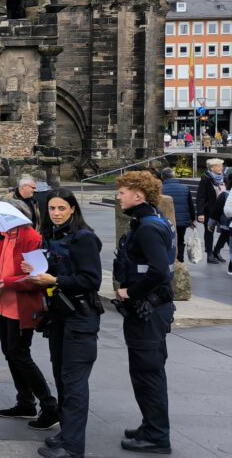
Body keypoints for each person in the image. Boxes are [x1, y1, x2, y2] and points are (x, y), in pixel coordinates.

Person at [25, 189, 103, 458]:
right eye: (52, 209)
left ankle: (73, 447)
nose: (56, 213)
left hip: (80, 316)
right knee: (60, 377)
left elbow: (91, 280)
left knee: (74, 382)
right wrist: (37, 272)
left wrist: (54, 280)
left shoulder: (84, 238)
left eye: (61, 208)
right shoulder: (52, 236)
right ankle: (67, 433)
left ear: (73, 209)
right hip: (58, 316)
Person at [113, 171, 175, 454]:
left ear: (138, 195)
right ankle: (151, 425)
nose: (118, 195)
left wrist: (131, 292)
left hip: (148, 309)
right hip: (152, 308)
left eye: (123, 191)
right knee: (146, 370)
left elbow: (159, 270)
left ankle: (157, 435)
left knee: (147, 372)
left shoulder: (148, 227)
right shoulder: (150, 221)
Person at [0, 220, 59, 430]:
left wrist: (6, 282)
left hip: (21, 307)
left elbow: (35, 278)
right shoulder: (1, 235)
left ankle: (49, 405)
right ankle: (25, 402)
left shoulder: (32, 238)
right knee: (10, 352)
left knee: (19, 354)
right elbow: (0, 265)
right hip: (2, 303)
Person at [159, 168, 195, 263]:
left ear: (162, 177)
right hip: (182, 220)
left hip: (165, 221)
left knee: (165, 240)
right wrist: (192, 220)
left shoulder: (160, 188)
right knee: (180, 240)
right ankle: (180, 260)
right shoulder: (184, 187)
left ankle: (168, 260)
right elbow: (190, 205)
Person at [197, 158, 228, 263]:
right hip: (209, 210)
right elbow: (200, 197)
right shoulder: (206, 179)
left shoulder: (224, 178)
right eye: (219, 166)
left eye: (221, 165)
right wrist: (200, 213)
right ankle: (209, 254)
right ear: (212, 168)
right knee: (209, 231)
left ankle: (217, 251)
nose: (221, 168)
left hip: (223, 210)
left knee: (225, 231)